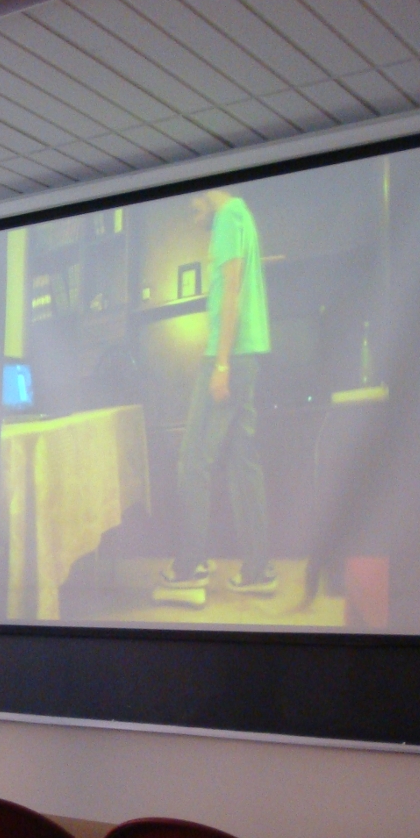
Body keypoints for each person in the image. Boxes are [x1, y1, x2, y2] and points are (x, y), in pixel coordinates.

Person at [155, 188, 275, 608]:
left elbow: (231, 292)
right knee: (243, 464)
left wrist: (221, 363)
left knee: (193, 460)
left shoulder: (226, 219)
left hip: (229, 357)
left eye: (193, 208)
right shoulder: (243, 216)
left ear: (207, 196)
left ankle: (191, 566)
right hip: (248, 356)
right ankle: (259, 570)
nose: (194, 219)